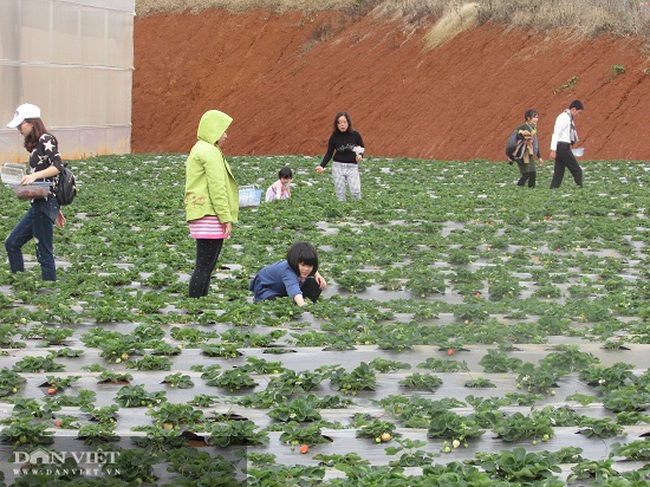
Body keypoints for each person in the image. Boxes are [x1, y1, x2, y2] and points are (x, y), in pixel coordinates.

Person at [5, 103, 64, 281]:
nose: (18, 128)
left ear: (32, 122)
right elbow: (47, 180)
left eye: (20, 124)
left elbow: (58, 167)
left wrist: (34, 176)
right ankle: (20, 282)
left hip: (45, 204)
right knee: (12, 243)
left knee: (43, 251)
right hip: (40, 203)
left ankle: (50, 291)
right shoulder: (36, 144)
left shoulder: (47, 139)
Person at [184, 109, 238, 298]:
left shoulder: (198, 148)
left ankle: (199, 305)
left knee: (204, 266)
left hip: (200, 212)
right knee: (204, 266)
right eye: (223, 130)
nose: (226, 135)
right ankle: (196, 306)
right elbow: (217, 187)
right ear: (213, 130)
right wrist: (226, 217)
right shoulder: (210, 152)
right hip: (210, 215)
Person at [249, 241, 327, 307]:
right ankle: (297, 301)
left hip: (283, 286)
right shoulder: (288, 272)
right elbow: (293, 288)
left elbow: (310, 267)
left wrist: (317, 275)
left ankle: (303, 301)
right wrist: (302, 304)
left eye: (310, 266)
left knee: (315, 285)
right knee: (275, 305)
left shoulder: (302, 268)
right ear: (295, 262)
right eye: (303, 265)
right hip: (268, 288)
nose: (306, 269)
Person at [315, 111, 365, 201]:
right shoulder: (334, 136)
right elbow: (329, 153)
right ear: (336, 125)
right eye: (339, 123)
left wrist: (360, 155)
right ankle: (342, 212)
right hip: (338, 166)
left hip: (352, 167)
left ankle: (357, 212)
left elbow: (361, 147)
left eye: (344, 122)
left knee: (356, 191)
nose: (342, 125)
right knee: (340, 193)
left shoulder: (355, 135)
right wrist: (322, 166)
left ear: (348, 123)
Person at [549, 100, 584, 188]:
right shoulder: (564, 118)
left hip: (562, 146)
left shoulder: (568, 118)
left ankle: (553, 189)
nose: (577, 115)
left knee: (559, 172)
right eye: (578, 112)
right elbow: (556, 133)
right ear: (573, 109)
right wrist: (553, 150)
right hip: (562, 146)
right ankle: (580, 189)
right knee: (577, 170)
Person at [512, 109, 544, 188]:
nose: (536, 119)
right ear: (528, 118)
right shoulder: (523, 127)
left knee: (533, 173)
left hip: (529, 154)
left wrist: (539, 157)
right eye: (534, 117)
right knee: (526, 174)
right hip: (522, 154)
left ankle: (531, 190)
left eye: (537, 117)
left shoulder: (533, 128)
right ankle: (518, 189)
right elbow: (515, 138)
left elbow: (535, 144)